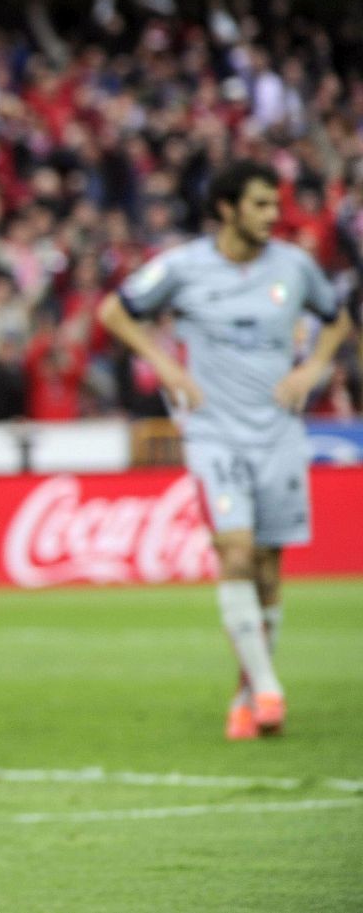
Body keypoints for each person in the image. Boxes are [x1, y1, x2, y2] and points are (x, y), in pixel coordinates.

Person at [97, 160, 351, 741]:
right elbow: (114, 311)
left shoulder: (294, 267)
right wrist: (165, 364)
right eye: (261, 204)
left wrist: (311, 369)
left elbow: (338, 322)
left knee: (267, 565)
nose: (273, 215)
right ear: (227, 208)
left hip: (279, 431)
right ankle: (269, 690)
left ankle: (246, 693)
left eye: (274, 204)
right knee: (233, 551)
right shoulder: (183, 267)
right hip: (213, 431)